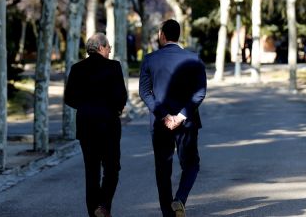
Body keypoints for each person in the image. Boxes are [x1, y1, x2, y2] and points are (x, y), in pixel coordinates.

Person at [139, 19, 207, 217]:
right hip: (187, 122)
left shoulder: (150, 59)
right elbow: (200, 93)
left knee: (163, 169)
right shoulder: (194, 59)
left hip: (160, 123)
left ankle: (168, 214)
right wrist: (181, 115)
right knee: (191, 164)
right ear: (179, 35)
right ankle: (180, 199)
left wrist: (164, 115)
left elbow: (145, 92)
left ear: (162, 35)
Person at [64, 33, 127, 217]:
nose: (110, 51)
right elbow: (121, 96)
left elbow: (69, 98)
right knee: (112, 169)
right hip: (108, 124)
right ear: (100, 47)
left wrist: (85, 107)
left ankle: (95, 213)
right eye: (108, 47)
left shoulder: (77, 68)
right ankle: (104, 206)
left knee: (91, 172)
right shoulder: (113, 66)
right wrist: (115, 109)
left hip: (86, 125)